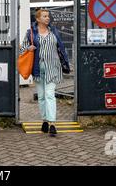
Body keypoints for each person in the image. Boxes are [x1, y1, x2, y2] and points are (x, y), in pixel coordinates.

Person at [19, 8, 70, 137]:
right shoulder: (31, 32)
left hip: (53, 67)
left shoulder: (54, 31)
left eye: (48, 16)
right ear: (38, 19)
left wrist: (65, 62)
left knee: (49, 95)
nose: (47, 18)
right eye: (44, 16)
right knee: (41, 96)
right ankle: (45, 120)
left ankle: (52, 123)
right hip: (38, 68)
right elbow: (22, 49)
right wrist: (28, 48)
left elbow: (61, 48)